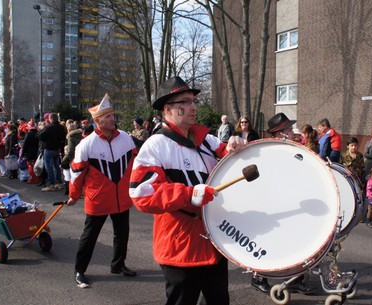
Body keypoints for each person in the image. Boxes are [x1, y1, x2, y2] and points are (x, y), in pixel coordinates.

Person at [129, 76, 246, 305]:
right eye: (185, 102)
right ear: (167, 109)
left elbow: (229, 156)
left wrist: (235, 146)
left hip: (215, 239)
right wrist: (188, 194)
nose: (193, 107)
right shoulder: (156, 145)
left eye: (194, 101)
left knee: (220, 300)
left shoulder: (207, 141)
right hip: (180, 247)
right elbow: (141, 193)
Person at [66, 94, 138, 288]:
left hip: (121, 198)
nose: (112, 119)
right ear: (97, 121)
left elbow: (137, 165)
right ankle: (79, 271)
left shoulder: (126, 139)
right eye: (108, 117)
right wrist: (73, 195)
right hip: (97, 200)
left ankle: (118, 265)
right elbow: (77, 173)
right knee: (89, 237)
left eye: (113, 115)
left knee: (122, 234)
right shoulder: (86, 144)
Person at [251, 112, 315, 295]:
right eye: (288, 129)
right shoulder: (268, 151)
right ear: (280, 133)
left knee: (294, 243)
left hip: (292, 203)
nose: (293, 131)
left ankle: (294, 278)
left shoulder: (294, 149)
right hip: (271, 206)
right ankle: (258, 278)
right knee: (266, 243)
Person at [37, 113, 66, 191]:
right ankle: (59, 182)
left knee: (49, 167)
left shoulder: (48, 127)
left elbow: (39, 136)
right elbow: (63, 138)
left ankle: (51, 183)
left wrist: (46, 138)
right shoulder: (61, 127)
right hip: (57, 148)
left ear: (51, 119)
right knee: (56, 166)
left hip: (49, 148)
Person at [60, 122, 83, 195]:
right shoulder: (81, 136)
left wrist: (64, 160)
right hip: (81, 158)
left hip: (73, 159)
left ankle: (70, 192)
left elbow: (70, 151)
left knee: (70, 176)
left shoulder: (71, 138)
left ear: (68, 130)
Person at [21, 119, 40, 184]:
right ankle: (37, 178)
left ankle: (33, 178)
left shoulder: (28, 134)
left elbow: (25, 145)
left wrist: (23, 153)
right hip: (37, 152)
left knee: (31, 166)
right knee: (36, 165)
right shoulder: (38, 133)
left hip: (30, 153)